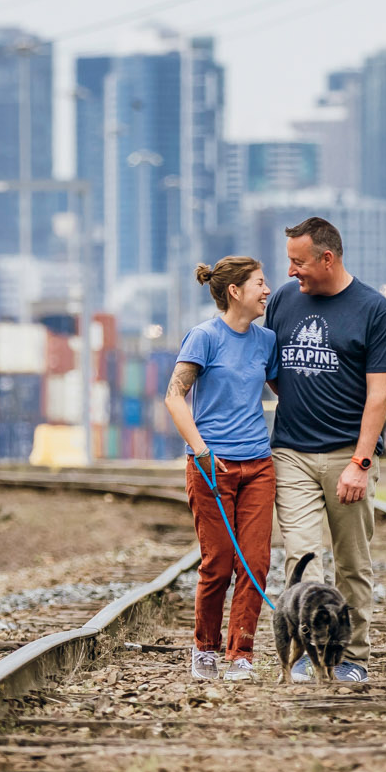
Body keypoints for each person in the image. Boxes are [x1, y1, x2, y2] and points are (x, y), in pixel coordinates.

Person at [264, 216, 386, 682]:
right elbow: (274, 371)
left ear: (328, 258)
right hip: (292, 453)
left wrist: (360, 463)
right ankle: (303, 654)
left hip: (349, 454)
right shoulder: (282, 301)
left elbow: (379, 395)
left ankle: (351, 657)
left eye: (298, 263)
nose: (290, 272)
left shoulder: (374, 309)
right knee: (302, 560)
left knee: (352, 564)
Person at [164, 256, 280, 682]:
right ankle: (205, 648)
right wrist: (200, 449)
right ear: (235, 291)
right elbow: (175, 396)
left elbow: (285, 390)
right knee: (218, 562)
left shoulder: (265, 341)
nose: (267, 291)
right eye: (260, 283)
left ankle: (241, 654)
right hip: (212, 465)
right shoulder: (204, 337)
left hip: (258, 465)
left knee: (255, 561)